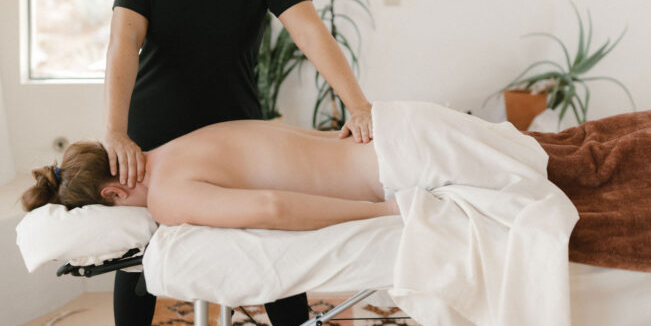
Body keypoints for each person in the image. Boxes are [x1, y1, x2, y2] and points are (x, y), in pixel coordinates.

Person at [102, 0, 374, 326]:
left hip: (236, 125)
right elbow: (123, 42)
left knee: (272, 237)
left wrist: (357, 104)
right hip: (158, 125)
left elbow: (311, 33)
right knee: (141, 250)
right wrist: (115, 130)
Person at [21, 119, 399, 228]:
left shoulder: (165, 198)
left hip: (397, 172)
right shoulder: (182, 140)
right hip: (393, 131)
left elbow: (273, 208)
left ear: (114, 194)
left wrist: (383, 214)